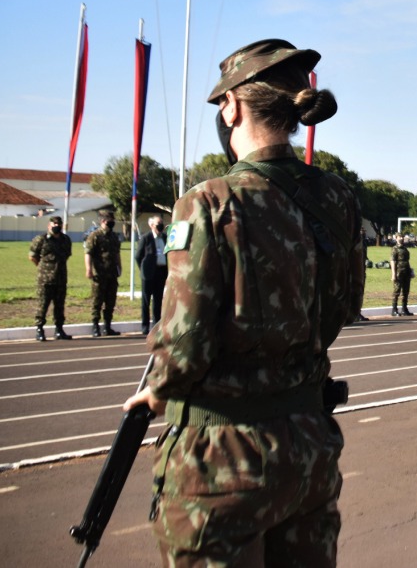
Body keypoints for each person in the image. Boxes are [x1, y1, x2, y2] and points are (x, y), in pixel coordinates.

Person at [123, 37, 363, 567]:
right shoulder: (336, 198)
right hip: (308, 443)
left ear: (230, 105)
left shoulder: (208, 201)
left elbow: (184, 341)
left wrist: (157, 390)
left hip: (225, 455)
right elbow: (343, 307)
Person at [31, 215, 73, 341]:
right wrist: (43, 267)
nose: (56, 227)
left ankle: (59, 330)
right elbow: (33, 256)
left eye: (58, 225)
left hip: (61, 277)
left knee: (59, 305)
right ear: (49, 226)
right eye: (54, 224)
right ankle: (39, 329)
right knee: (43, 304)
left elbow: (67, 255)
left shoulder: (66, 239)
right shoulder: (41, 239)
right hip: (45, 279)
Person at [85, 210, 122, 337]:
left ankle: (107, 326)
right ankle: (95, 326)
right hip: (99, 274)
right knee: (97, 301)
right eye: (108, 221)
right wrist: (88, 269)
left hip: (112, 273)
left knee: (110, 301)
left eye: (112, 220)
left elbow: (117, 253)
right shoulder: (95, 236)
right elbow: (88, 253)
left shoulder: (114, 236)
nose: (111, 223)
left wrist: (119, 266)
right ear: (102, 221)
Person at [136, 215, 169, 335]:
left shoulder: (165, 237)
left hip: (161, 273)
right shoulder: (146, 238)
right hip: (148, 274)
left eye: (161, 224)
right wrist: (143, 269)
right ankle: (145, 326)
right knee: (146, 301)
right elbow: (138, 256)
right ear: (151, 225)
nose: (160, 226)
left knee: (158, 300)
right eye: (157, 224)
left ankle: (156, 325)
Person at [391, 235, 413, 316]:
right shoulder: (395, 249)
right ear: (396, 238)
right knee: (396, 291)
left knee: (406, 291)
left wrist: (411, 271)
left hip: (406, 271)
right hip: (398, 272)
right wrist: (393, 274)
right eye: (399, 237)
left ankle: (404, 309)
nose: (401, 238)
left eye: (402, 237)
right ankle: (394, 309)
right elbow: (392, 261)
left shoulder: (405, 248)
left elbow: (407, 260)